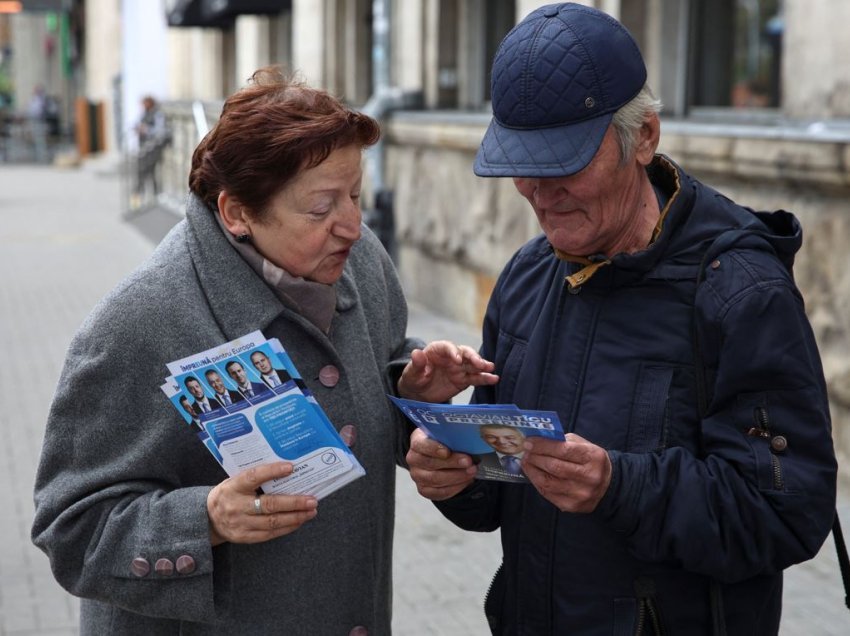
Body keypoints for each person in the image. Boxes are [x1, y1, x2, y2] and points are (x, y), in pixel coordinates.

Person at [405, 4, 837, 634]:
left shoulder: (741, 292)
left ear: (645, 138)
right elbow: (501, 489)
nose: (538, 188)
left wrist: (620, 486)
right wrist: (450, 470)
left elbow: (786, 515)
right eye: (521, 163)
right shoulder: (528, 275)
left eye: (565, 160)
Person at [32, 66, 496, 634]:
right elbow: (70, 528)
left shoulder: (362, 263)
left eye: (355, 194)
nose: (352, 225)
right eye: (322, 209)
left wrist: (409, 388)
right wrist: (205, 518)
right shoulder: (136, 324)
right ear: (237, 213)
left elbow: (379, 361)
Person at [132, 95, 170, 201]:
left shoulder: (157, 114)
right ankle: (139, 198)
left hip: (153, 150)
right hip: (143, 150)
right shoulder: (144, 113)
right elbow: (136, 123)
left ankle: (155, 197)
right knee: (141, 173)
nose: (143, 106)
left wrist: (146, 130)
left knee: (151, 173)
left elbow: (160, 131)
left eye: (145, 103)